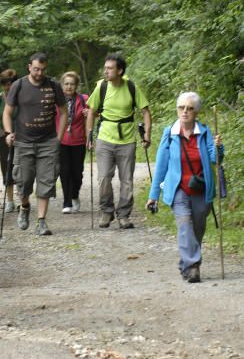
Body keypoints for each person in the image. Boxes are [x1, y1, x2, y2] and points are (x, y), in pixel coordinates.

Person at [146, 91, 223, 283]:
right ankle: (194, 266)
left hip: (201, 188)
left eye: (190, 108)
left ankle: (186, 264)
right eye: (182, 108)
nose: (185, 112)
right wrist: (153, 195)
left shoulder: (204, 133)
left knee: (197, 227)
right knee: (184, 225)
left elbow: (216, 159)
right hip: (178, 188)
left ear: (196, 112)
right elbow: (161, 165)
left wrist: (218, 146)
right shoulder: (170, 134)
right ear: (177, 110)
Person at [3, 52, 68, 236]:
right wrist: (8, 133)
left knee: (46, 181)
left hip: (48, 142)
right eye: (36, 69)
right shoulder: (19, 85)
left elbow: (64, 112)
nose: (39, 73)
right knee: (23, 181)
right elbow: (7, 112)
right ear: (29, 67)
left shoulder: (53, 85)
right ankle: (24, 207)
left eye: (42, 69)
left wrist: (59, 138)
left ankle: (41, 221)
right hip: (23, 142)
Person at [86, 54, 152, 229]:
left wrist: (147, 135)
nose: (106, 71)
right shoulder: (101, 87)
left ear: (120, 70)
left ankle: (124, 215)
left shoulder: (131, 87)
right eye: (105, 68)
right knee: (104, 178)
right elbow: (91, 112)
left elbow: (145, 111)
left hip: (127, 139)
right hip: (105, 138)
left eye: (110, 68)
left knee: (127, 180)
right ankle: (107, 212)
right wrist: (89, 136)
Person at [56, 71, 89, 214]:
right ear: (62, 85)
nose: (69, 87)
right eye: (66, 84)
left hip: (79, 140)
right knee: (64, 171)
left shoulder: (84, 99)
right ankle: (67, 201)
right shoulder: (56, 100)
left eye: (72, 84)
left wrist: (91, 113)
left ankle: (74, 194)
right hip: (61, 140)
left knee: (77, 172)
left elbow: (95, 115)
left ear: (76, 85)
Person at [0, 69, 19, 213]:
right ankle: (10, 200)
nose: (8, 87)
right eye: (5, 84)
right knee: (6, 167)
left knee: (20, 167)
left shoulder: (22, 97)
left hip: (22, 136)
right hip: (3, 136)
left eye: (11, 83)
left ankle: (22, 197)